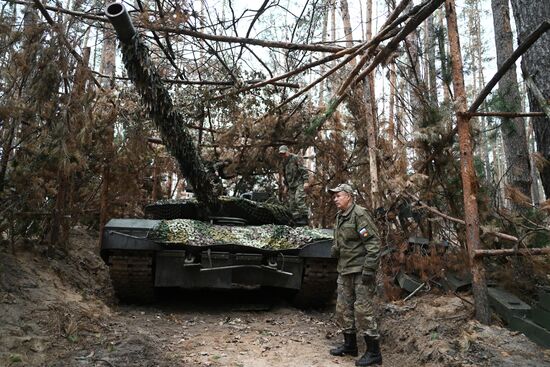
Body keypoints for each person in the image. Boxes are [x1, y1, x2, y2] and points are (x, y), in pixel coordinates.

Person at [328, 183, 382, 366]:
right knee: (343, 309)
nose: (335, 199)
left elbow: (373, 244)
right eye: (334, 196)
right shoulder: (340, 216)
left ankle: (374, 353)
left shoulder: (359, 214)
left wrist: (369, 269)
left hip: (360, 271)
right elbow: (341, 241)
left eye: (338, 195)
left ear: (349, 196)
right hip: (344, 270)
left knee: (363, 311)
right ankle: (350, 346)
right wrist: (334, 251)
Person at [278, 145, 310, 224]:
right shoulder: (283, 163)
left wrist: (306, 181)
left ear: (288, 151)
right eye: (281, 154)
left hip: (299, 183)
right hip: (291, 185)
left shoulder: (296, 158)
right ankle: (297, 219)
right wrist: (286, 186)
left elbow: (303, 169)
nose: (283, 155)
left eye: (284, 153)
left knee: (298, 199)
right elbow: (285, 175)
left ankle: (305, 218)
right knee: (292, 203)